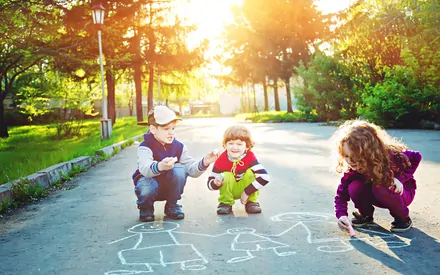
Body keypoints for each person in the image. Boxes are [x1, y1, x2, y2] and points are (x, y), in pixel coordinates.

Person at [332, 120, 422, 233]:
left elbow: (416, 157)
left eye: (355, 156)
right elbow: (341, 195)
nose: (350, 161)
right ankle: (366, 215)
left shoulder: (391, 157)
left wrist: (400, 179)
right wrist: (341, 215)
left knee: (382, 185)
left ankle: (402, 218)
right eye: (346, 156)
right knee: (354, 186)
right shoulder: (352, 171)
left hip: (401, 192)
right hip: (378, 193)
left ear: (369, 152)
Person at [132, 106, 218, 222]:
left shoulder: (179, 146)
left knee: (179, 169)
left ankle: (172, 205)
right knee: (146, 184)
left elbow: (191, 170)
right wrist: (160, 166)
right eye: (166, 129)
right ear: (153, 129)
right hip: (149, 185)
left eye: (173, 128)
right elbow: (145, 168)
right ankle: (146, 207)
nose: (171, 133)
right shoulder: (145, 147)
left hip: (169, 187)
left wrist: (205, 162)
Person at [207, 125, 269, 215]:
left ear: (247, 146)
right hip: (230, 189)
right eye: (231, 143)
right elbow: (209, 184)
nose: (234, 147)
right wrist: (215, 183)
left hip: (247, 190)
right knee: (226, 175)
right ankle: (225, 203)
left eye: (239, 144)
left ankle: (251, 202)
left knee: (250, 173)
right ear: (225, 145)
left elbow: (264, 177)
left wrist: (247, 192)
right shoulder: (221, 159)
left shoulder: (250, 157)